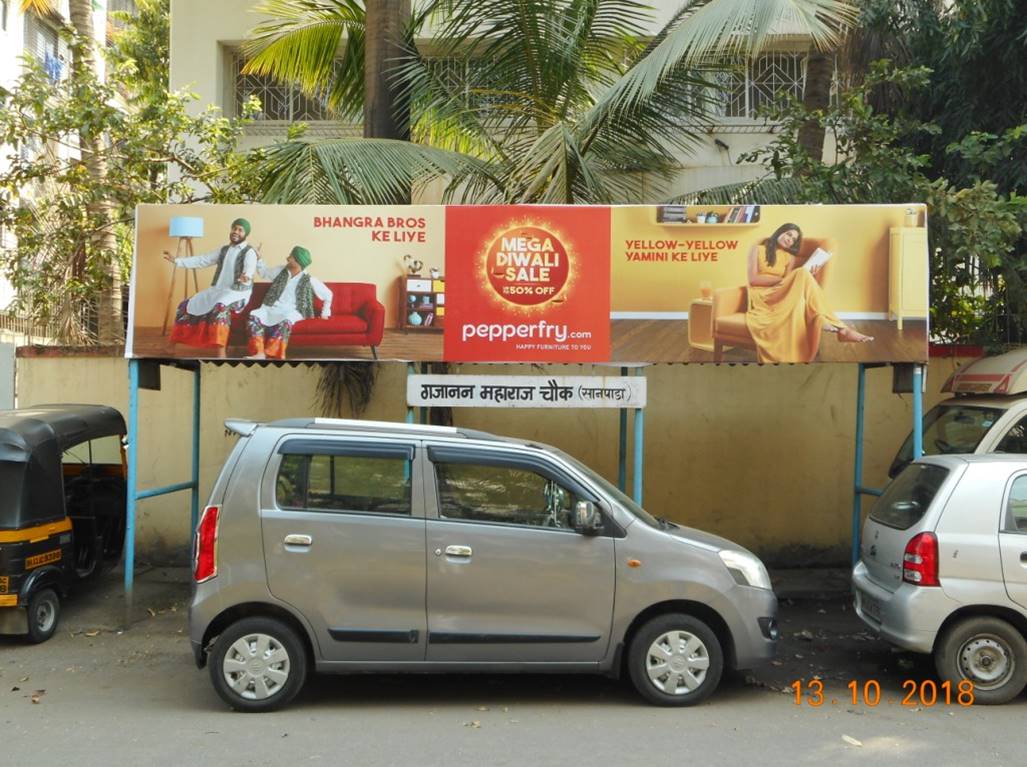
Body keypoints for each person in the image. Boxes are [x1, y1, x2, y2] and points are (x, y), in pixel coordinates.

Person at [745, 223, 872, 363]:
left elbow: (788, 282)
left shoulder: (789, 257)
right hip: (762, 295)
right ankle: (838, 326)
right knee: (801, 273)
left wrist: (804, 277)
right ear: (780, 232)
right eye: (788, 234)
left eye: (793, 239)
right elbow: (753, 279)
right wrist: (785, 280)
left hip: (781, 293)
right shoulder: (757, 249)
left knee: (803, 273)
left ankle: (839, 328)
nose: (789, 240)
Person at [164, 218, 257, 357]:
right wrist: (177, 261)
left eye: (240, 230)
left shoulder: (249, 252)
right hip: (218, 290)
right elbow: (203, 260)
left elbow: (249, 269)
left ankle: (220, 352)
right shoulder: (224, 249)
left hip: (238, 293)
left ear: (245, 234)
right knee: (185, 305)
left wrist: (246, 277)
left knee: (220, 307)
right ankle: (172, 345)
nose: (236, 232)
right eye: (234, 228)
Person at [246, 246, 332, 360]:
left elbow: (328, 294)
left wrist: (325, 313)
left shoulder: (309, 280)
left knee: (286, 321)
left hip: (294, 311)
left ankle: (270, 353)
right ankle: (259, 353)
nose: (288, 258)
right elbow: (264, 273)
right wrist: (259, 259)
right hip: (271, 308)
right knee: (254, 315)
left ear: (297, 262)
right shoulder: (280, 271)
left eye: (291, 256)